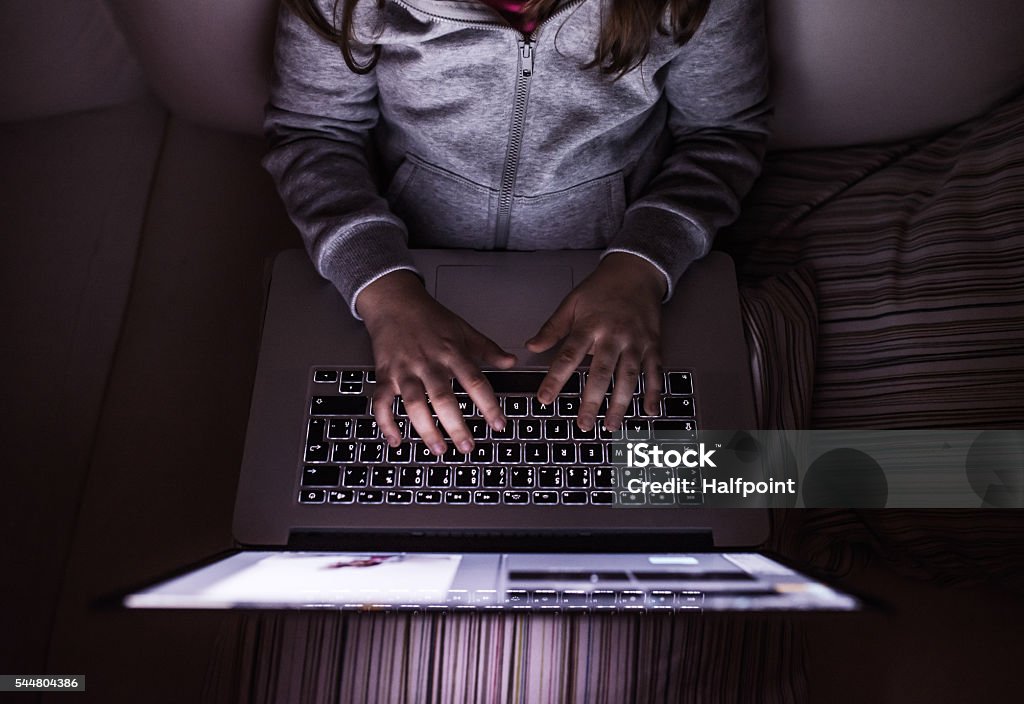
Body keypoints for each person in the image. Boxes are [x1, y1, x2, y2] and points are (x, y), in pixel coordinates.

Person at [263, 0, 771, 457]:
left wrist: (643, 264)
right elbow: (315, 132)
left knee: (719, 479)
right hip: (400, 275)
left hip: (621, 278)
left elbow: (722, 132)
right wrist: (381, 288)